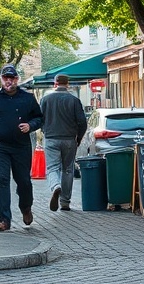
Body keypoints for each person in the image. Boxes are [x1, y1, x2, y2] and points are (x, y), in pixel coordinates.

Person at [0, 64, 43, 232]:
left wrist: (30, 125)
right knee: (2, 179)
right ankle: (4, 219)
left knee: (23, 182)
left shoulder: (27, 98)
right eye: (5, 78)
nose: (9, 81)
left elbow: (39, 117)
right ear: (1, 79)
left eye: (12, 78)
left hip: (21, 146)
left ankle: (26, 207)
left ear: (17, 79)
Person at [40, 73, 87, 212]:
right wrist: (78, 137)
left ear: (55, 83)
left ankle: (55, 186)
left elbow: (39, 118)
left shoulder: (45, 99)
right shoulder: (74, 100)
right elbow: (82, 122)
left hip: (51, 138)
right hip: (69, 139)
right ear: (68, 84)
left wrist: (44, 130)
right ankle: (65, 202)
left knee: (52, 168)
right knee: (67, 170)